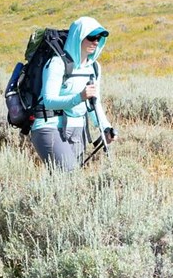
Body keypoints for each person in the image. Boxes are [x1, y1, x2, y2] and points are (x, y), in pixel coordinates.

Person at [29, 16, 115, 170]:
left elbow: (95, 103)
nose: (96, 42)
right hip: (49, 126)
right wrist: (79, 97)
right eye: (91, 37)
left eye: (99, 38)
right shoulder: (57, 63)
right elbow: (48, 100)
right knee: (69, 174)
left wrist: (105, 128)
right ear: (78, 37)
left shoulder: (94, 68)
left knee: (69, 182)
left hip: (78, 128)